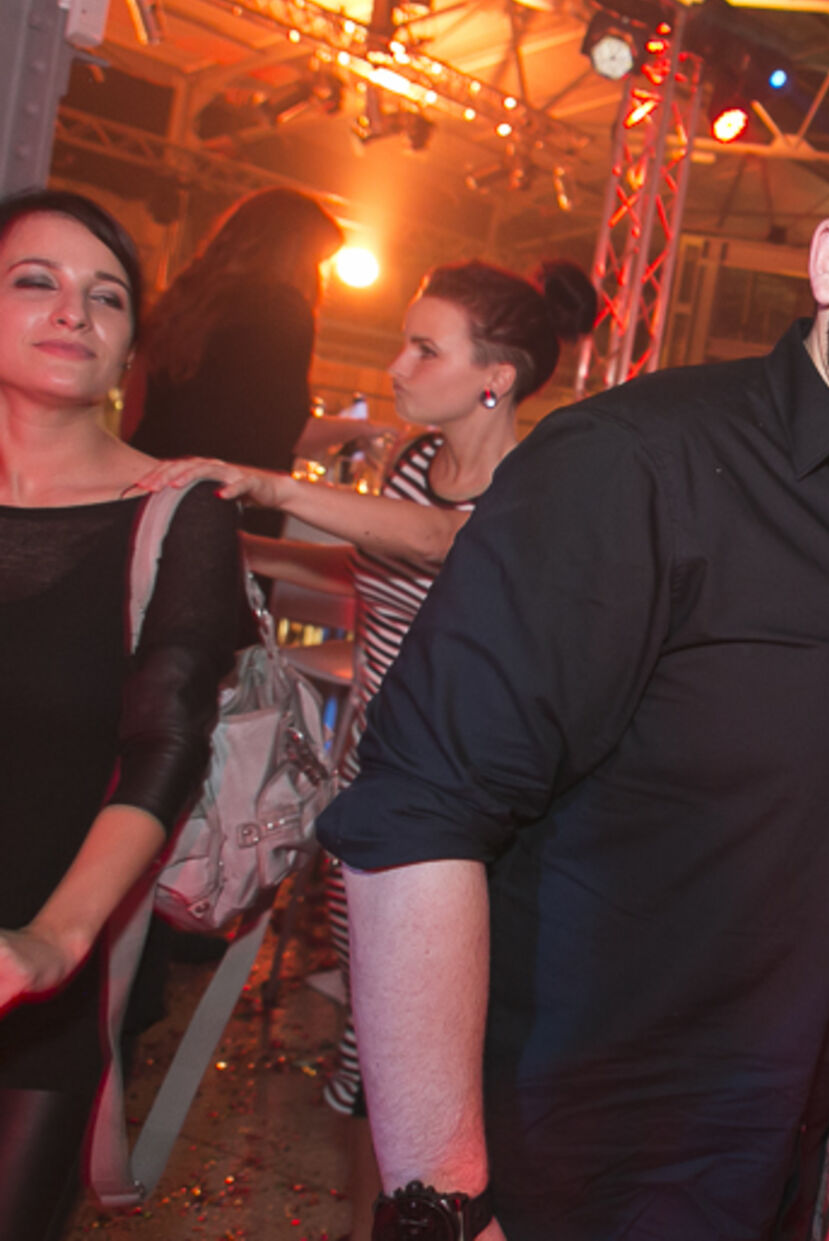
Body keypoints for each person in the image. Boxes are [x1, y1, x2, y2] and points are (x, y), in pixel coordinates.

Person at [314, 80, 829, 1240]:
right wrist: (444, 1205)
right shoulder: (634, 467)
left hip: (778, 1174)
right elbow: (416, 818)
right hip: (569, 1177)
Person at [137, 257, 595, 1237]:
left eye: (424, 348)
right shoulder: (415, 463)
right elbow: (368, 564)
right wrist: (217, 540)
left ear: (496, 377)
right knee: (364, 1045)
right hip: (367, 788)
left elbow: (437, 543)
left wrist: (265, 482)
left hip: (451, 818)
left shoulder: (532, 486)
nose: (396, 366)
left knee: (422, 1064)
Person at [0, 190, 241, 1240]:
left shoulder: (177, 513)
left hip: (46, 970)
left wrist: (54, 941)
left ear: (130, 344)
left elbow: (168, 742)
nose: (75, 312)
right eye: (36, 282)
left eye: (107, 297)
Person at [127, 188, 345, 536]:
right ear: (295, 251)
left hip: (151, 482)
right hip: (223, 504)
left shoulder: (188, 295)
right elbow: (289, 430)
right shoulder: (281, 309)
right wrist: (362, 430)